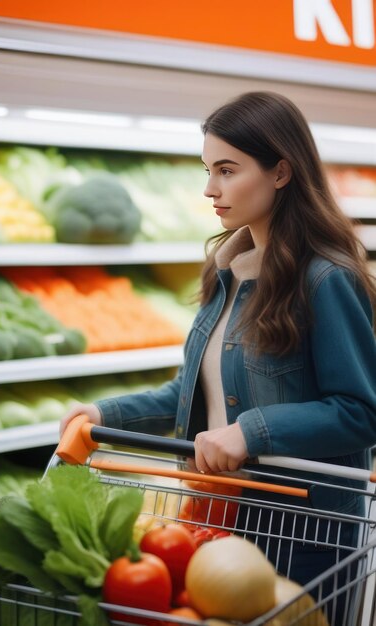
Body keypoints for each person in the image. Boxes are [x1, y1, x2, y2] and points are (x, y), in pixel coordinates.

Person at [60, 91, 376, 617]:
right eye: (208, 170)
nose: (210, 189)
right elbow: (191, 392)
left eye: (227, 171)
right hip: (221, 523)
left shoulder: (326, 279)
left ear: (281, 172)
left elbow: (362, 410)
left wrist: (252, 431)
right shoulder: (227, 274)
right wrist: (102, 414)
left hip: (303, 538)